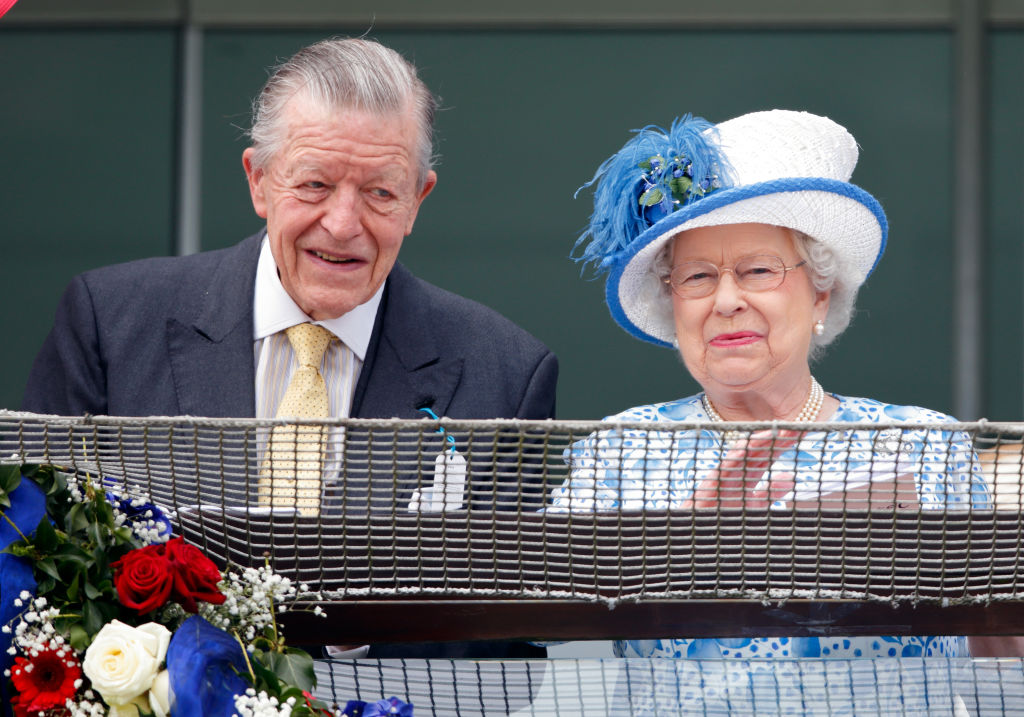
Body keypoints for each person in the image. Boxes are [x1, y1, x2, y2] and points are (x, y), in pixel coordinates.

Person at [21, 36, 556, 659]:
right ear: (259, 181)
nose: (343, 224)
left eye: (381, 193)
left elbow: (503, 655)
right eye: (315, 184)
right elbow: (36, 572)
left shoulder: (506, 375)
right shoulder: (110, 324)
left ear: (417, 200)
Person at [547, 109, 998, 705]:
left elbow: (995, 653)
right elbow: (539, 624)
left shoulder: (923, 444)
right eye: (697, 277)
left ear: (820, 294)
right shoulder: (621, 450)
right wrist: (678, 549)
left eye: (758, 270)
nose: (726, 300)